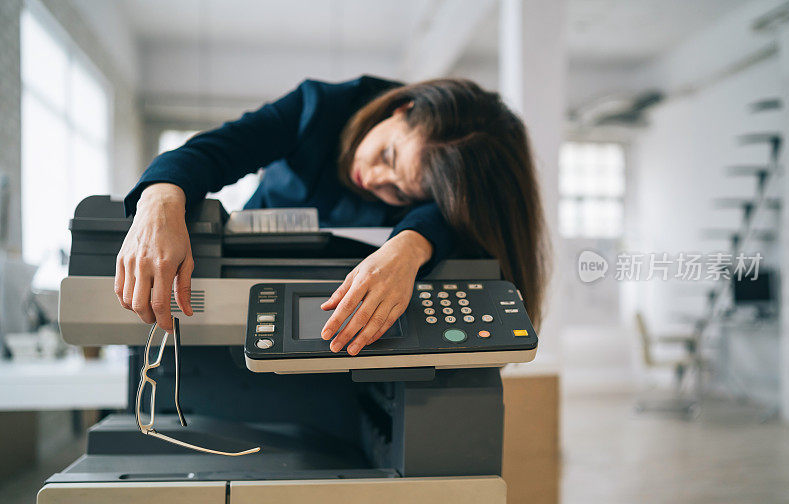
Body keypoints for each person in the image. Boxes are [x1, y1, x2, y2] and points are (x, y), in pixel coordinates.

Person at [115, 76, 550, 356]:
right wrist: (159, 203)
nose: (375, 179)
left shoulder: (442, 202)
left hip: (355, 313)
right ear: (401, 109)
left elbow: (452, 217)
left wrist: (410, 244)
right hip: (246, 276)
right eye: (388, 154)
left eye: (400, 191)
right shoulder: (315, 108)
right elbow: (213, 151)